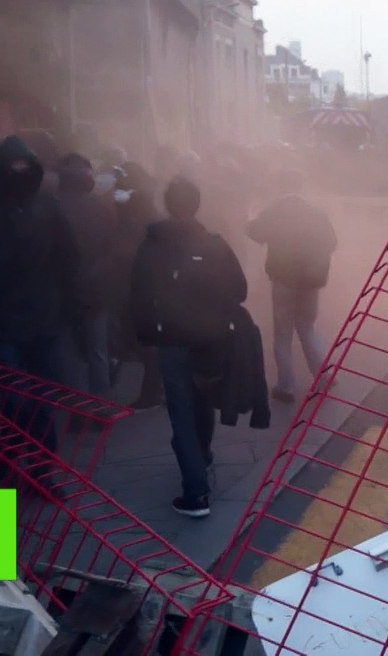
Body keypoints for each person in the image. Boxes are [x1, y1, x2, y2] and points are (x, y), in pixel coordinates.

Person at [0, 136, 80, 480]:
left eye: (26, 169)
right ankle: (15, 462)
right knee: (16, 400)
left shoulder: (48, 207)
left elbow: (69, 258)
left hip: (44, 321)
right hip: (3, 324)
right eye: (13, 169)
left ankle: (38, 469)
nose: (19, 176)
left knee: (41, 399)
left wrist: (68, 306)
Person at [130, 178, 248, 517]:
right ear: (197, 205)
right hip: (211, 339)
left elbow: (139, 292)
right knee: (203, 403)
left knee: (180, 411)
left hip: (172, 340)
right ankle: (204, 455)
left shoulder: (153, 244)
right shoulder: (214, 242)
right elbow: (239, 290)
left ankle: (195, 493)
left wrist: (145, 333)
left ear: (168, 204)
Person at [246, 169, 338, 402]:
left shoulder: (275, 211)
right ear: (301, 186)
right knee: (307, 326)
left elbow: (254, 232)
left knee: (283, 333)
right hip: (311, 281)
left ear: (280, 186)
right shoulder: (315, 212)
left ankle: (286, 386)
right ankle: (324, 376)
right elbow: (332, 242)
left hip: (283, 280)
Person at [56, 153, 118, 397]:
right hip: (97, 287)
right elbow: (110, 247)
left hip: (63, 289)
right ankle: (101, 406)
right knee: (97, 350)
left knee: (68, 351)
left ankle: (76, 408)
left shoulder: (52, 206)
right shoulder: (100, 208)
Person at [112, 161, 166, 409]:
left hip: (139, 283)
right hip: (149, 281)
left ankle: (153, 391)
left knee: (146, 342)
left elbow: (128, 246)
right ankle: (158, 388)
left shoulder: (132, 204)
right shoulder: (148, 203)